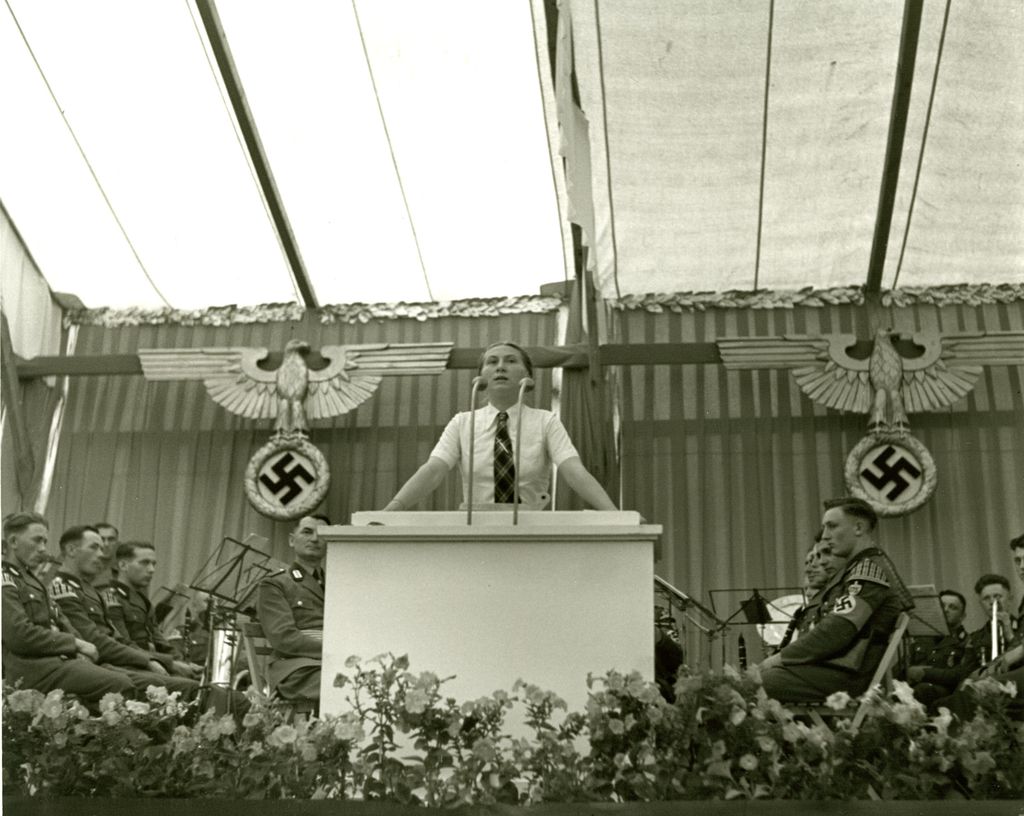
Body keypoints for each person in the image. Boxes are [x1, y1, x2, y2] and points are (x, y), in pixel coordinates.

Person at [383, 342, 617, 511]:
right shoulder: (462, 423)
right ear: (481, 378)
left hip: (532, 526)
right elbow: (433, 470)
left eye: (511, 361)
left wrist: (614, 515)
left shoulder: (546, 422)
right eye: (492, 362)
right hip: (475, 526)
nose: (500, 367)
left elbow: (573, 471)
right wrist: (392, 509)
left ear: (527, 377)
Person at [758, 497, 912, 703]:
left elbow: (836, 631)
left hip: (845, 677)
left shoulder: (869, 570)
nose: (825, 535)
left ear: (858, 528)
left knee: (752, 684)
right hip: (830, 669)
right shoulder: (856, 569)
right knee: (748, 682)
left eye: (832, 526)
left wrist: (780, 658)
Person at [49, 525, 199, 697]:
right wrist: (151, 660)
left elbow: (119, 639)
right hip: (97, 664)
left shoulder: (90, 591)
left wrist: (167, 660)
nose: (102, 555)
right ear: (71, 550)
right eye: (94, 547)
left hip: (114, 662)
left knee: (190, 685)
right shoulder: (62, 587)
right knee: (179, 687)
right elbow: (94, 639)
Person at [1, 512, 135, 703]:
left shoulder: (32, 581)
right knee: (120, 684)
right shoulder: (5, 579)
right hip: (30, 669)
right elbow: (19, 635)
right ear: (13, 542)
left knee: (127, 681)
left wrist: (80, 648)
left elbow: (60, 620)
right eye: (37, 541)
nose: (43, 549)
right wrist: (76, 644)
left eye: (45, 542)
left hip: (55, 662)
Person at [255, 514, 328, 704]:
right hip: (297, 670)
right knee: (352, 684)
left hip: (330, 664)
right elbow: (284, 638)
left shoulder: (339, 585)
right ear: (291, 540)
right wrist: (334, 651)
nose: (314, 539)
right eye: (307, 532)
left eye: (322, 534)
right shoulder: (275, 584)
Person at [102, 542, 198, 678]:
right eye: (144, 563)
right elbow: (123, 644)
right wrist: (169, 663)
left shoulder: (142, 600)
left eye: (154, 564)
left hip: (153, 662)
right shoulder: (111, 597)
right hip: (131, 665)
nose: (151, 569)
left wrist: (180, 660)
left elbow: (159, 640)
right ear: (123, 565)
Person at [775, 535, 849, 652]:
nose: (809, 569)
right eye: (808, 562)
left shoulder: (840, 593)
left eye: (819, 557)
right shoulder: (816, 601)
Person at [906, 589, 974, 705]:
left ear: (962, 616)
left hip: (944, 696)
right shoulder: (921, 638)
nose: (945, 610)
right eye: (942, 606)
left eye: (953, 607)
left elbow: (960, 675)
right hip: (912, 692)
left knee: (922, 690)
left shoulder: (966, 641)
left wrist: (924, 672)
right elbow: (904, 668)